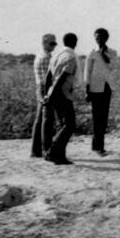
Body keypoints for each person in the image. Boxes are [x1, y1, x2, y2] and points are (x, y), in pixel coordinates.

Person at [43, 32, 79, 165]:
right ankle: (52, 152)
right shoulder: (71, 57)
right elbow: (62, 78)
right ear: (75, 43)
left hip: (53, 92)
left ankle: (60, 156)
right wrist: (52, 96)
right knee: (69, 125)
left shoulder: (57, 55)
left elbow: (48, 77)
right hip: (62, 94)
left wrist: (47, 94)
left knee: (61, 125)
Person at [84, 27, 116, 156]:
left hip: (107, 87)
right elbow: (87, 71)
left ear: (106, 38)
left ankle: (96, 144)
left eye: (101, 37)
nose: (98, 39)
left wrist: (103, 54)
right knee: (97, 117)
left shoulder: (112, 52)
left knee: (104, 117)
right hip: (95, 88)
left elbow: (113, 66)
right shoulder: (91, 53)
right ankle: (99, 147)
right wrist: (87, 89)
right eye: (96, 37)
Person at [30, 33, 56, 158]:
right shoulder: (46, 57)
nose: (54, 46)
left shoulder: (40, 55)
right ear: (44, 43)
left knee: (40, 120)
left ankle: (36, 151)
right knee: (46, 120)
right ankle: (45, 150)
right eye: (52, 43)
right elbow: (48, 78)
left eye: (55, 43)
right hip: (45, 89)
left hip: (40, 88)